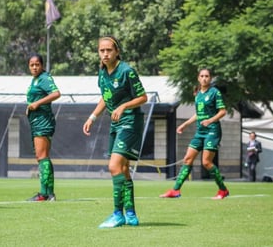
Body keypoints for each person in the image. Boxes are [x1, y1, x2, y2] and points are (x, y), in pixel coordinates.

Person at [83, 36, 147, 228]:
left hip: (130, 122)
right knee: (123, 169)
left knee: (113, 166)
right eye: (101, 50)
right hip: (116, 124)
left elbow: (143, 97)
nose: (105, 53)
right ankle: (131, 214)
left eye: (109, 50)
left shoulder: (127, 71)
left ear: (117, 51)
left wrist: (123, 106)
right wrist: (92, 117)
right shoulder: (102, 73)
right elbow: (105, 97)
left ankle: (117, 214)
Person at [160, 68, 229, 199]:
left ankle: (223, 190)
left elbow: (222, 111)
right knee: (187, 159)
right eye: (202, 76)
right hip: (200, 131)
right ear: (198, 78)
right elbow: (198, 114)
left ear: (211, 78)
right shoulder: (198, 94)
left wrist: (210, 120)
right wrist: (184, 124)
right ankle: (175, 190)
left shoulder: (215, 92)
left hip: (212, 131)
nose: (204, 78)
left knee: (206, 163)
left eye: (207, 76)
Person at [25, 53, 61, 201]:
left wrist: (37, 103)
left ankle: (45, 194)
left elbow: (56, 93)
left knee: (42, 156)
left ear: (42, 65)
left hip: (43, 121)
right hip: (36, 121)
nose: (34, 67)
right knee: (41, 157)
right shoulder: (35, 80)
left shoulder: (45, 78)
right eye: (32, 65)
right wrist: (30, 107)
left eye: (37, 64)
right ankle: (47, 193)